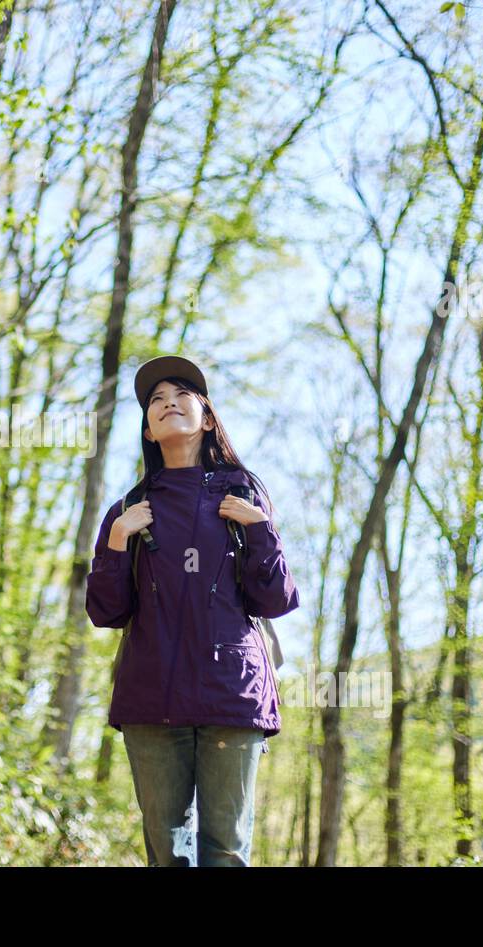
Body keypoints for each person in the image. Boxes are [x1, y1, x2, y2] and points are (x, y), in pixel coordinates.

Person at [85, 354, 299, 866]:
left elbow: (275, 599)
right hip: (151, 696)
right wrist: (116, 542)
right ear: (149, 431)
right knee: (167, 851)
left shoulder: (242, 495)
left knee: (226, 851)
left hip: (232, 694)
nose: (167, 404)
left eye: (182, 395)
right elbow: (106, 612)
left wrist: (260, 530)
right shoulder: (128, 510)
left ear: (206, 418)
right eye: (155, 401)